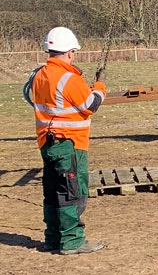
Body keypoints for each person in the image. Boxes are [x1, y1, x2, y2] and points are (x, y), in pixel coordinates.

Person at [27, 27, 107, 255]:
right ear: (70, 52)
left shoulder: (39, 75)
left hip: (47, 144)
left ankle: (52, 238)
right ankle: (72, 241)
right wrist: (100, 85)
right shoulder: (69, 79)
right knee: (72, 192)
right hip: (70, 144)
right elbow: (90, 105)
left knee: (52, 191)